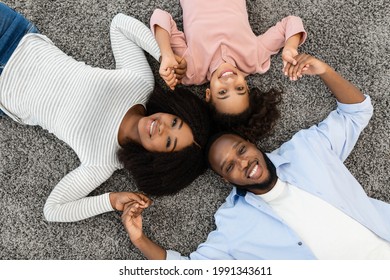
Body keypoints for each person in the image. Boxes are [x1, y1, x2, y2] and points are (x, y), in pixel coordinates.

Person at [121, 54, 390, 259]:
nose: (243, 163)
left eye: (241, 150)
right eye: (229, 166)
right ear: (226, 180)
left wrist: (325, 71)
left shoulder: (307, 149)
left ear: (251, 143)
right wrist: (139, 239)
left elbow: (356, 112)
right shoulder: (234, 226)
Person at [0, 3, 210, 222]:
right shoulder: (140, 84)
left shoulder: (102, 162)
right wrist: (163, 56)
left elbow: (53, 209)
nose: (163, 128)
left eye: (168, 142)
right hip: (15, 37)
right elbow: (119, 24)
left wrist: (110, 200)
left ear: (159, 161)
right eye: (174, 122)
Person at [150, 0, 306, 139]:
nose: (230, 81)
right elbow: (291, 22)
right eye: (239, 88)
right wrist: (290, 47)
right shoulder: (254, 58)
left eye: (223, 92)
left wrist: (166, 54)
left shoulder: (191, 70)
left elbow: (160, 16)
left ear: (208, 94)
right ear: (246, 86)